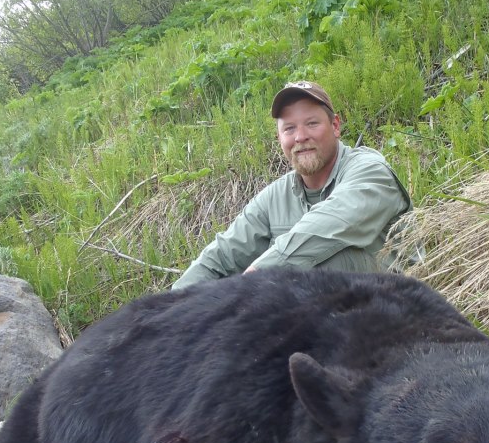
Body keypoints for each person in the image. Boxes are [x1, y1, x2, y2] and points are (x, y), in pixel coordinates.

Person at [171, 81, 410, 289]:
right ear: (280, 138)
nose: (300, 136)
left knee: (319, 264)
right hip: (316, 322)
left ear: (335, 126)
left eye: (312, 123)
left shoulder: (370, 171)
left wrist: (252, 282)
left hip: (396, 315)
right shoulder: (274, 197)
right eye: (289, 128)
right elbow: (222, 255)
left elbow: (324, 230)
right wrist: (169, 312)